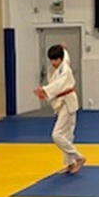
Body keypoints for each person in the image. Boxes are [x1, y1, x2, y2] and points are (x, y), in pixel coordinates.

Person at [34, 44, 85, 174]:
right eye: (51, 60)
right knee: (67, 136)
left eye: (56, 60)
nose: (53, 63)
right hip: (62, 103)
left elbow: (58, 85)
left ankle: (79, 157)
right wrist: (64, 48)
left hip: (67, 102)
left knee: (57, 135)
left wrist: (44, 90)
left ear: (60, 59)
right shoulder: (59, 64)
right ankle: (70, 164)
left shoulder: (65, 70)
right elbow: (66, 56)